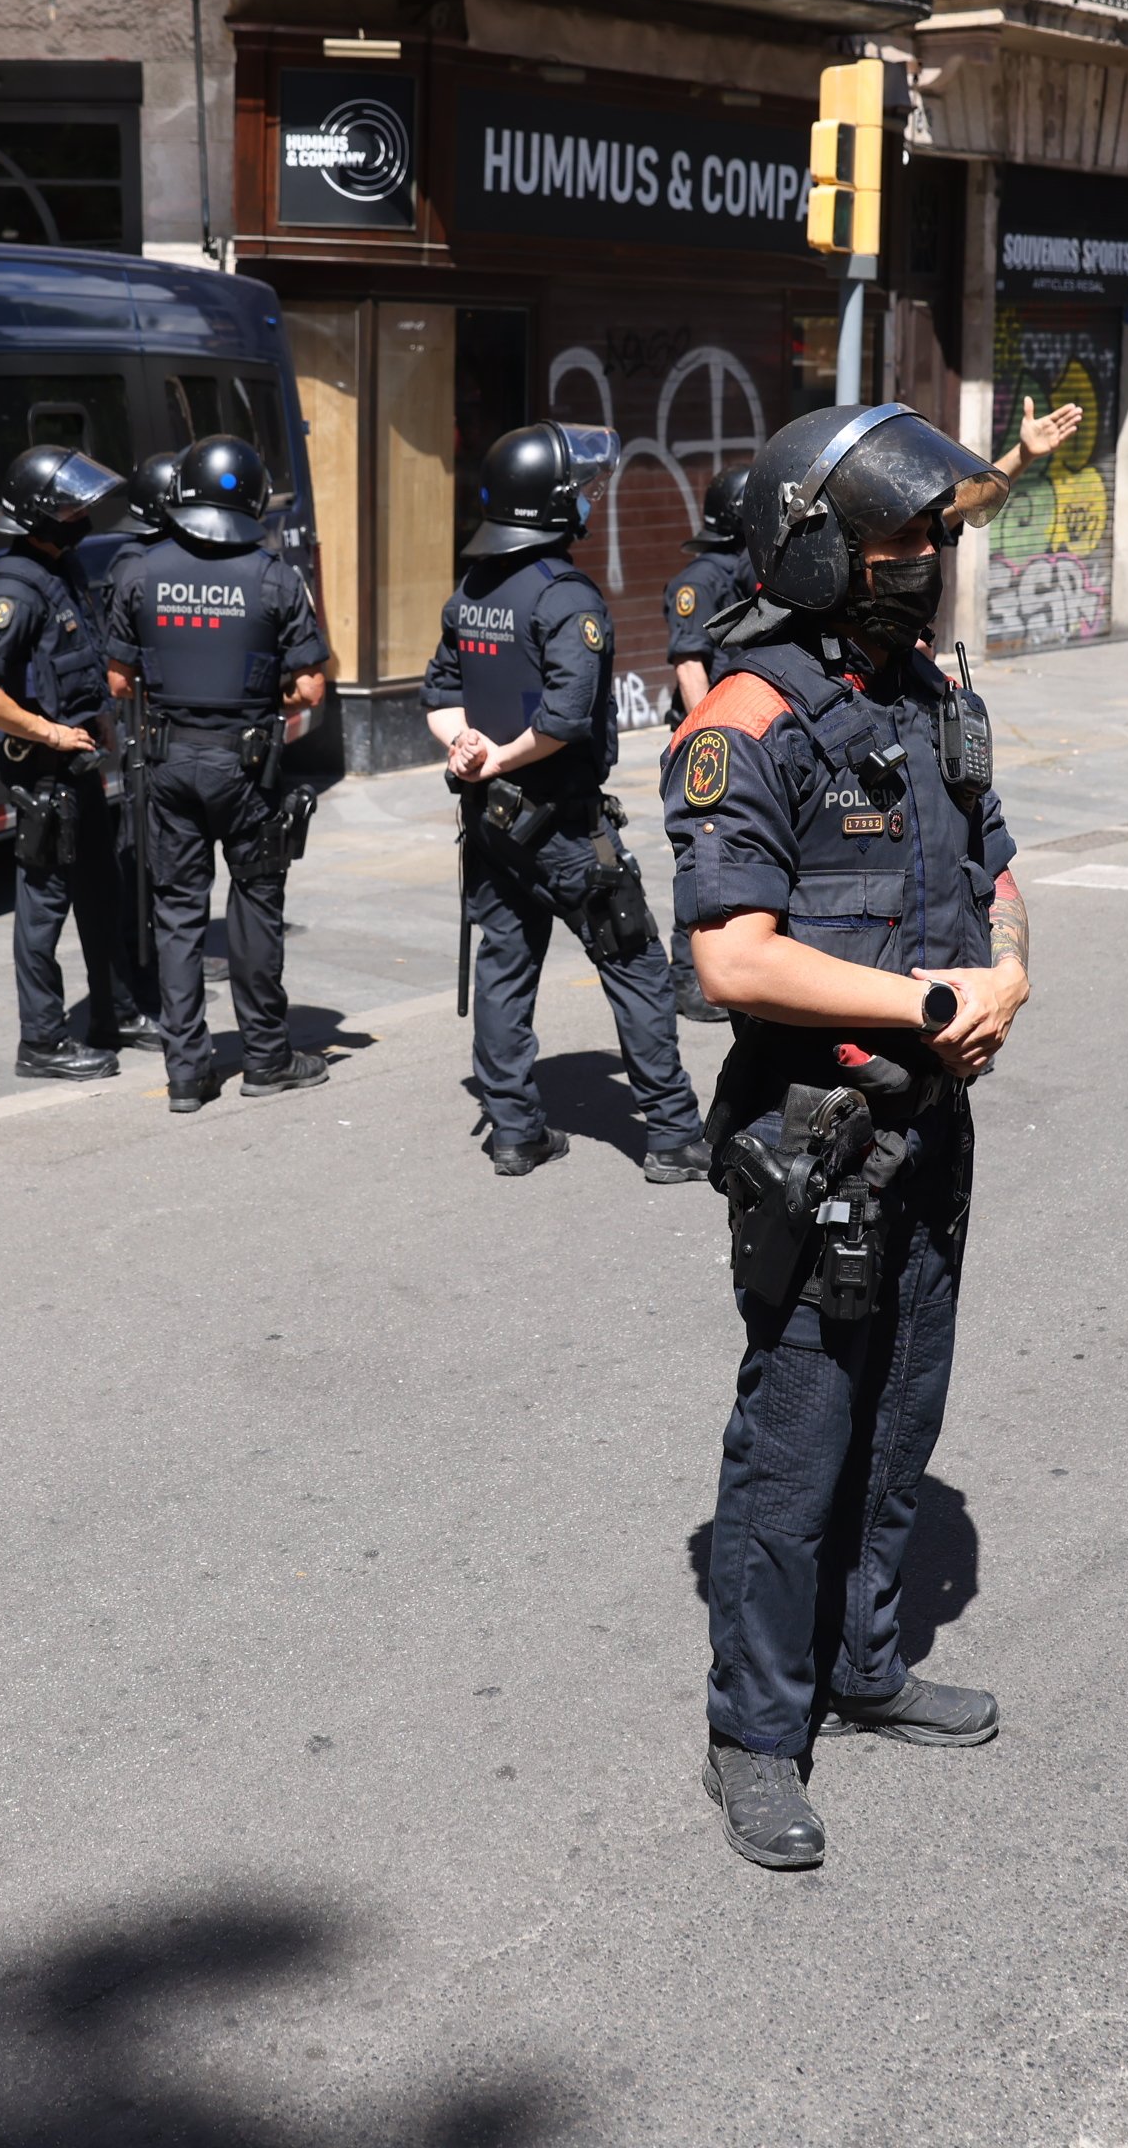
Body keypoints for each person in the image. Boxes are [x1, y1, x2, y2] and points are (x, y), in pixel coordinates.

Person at [664, 402, 1030, 1872]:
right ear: (820, 551)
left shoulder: (927, 694)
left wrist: (1009, 972)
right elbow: (733, 960)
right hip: (816, 1141)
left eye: (936, 532)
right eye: (905, 535)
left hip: (931, 1124)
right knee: (797, 1443)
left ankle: (866, 1668)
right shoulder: (748, 717)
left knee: (901, 1423)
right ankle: (757, 1735)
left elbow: (999, 863)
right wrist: (930, 996)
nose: (930, 556)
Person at [428, 423, 705, 1182]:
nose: (591, 499)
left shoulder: (474, 586)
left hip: (490, 820)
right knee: (638, 963)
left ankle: (514, 1133)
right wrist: (500, 754)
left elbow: (439, 694)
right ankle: (676, 1135)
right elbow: (562, 719)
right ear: (550, 506)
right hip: (563, 824)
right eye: (581, 490)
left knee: (504, 967)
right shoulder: (565, 595)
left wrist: (468, 750)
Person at [105, 433, 333, 1111]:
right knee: (255, 905)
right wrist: (263, 701)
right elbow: (312, 690)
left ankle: (186, 1073)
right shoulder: (275, 577)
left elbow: (119, 680)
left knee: (177, 913)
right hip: (247, 765)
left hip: (168, 761)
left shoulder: (138, 570)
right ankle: (265, 1059)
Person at [0, 445, 141, 1081]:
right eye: (67, 506)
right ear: (37, 516)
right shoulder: (16, 586)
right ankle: (41, 1041)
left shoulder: (59, 568)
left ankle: (114, 1012)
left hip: (79, 771)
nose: (80, 515)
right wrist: (51, 735)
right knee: (44, 906)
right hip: (45, 775)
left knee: (101, 891)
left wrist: (99, 723)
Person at [663, 461, 755, 718]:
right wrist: (707, 736)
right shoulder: (698, 582)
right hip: (721, 727)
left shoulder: (751, 567)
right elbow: (689, 666)